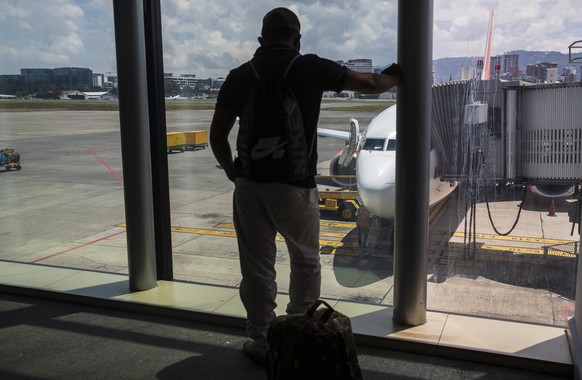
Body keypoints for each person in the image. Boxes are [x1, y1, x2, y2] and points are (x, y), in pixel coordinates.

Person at [209, 7, 400, 364]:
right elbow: (373, 85)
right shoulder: (309, 66)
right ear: (296, 39)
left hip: (250, 187)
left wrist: (232, 171)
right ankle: (296, 331)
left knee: (256, 268)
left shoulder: (239, 76)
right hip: (294, 188)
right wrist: (396, 73)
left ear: (261, 40)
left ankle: (262, 339)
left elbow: (217, 135)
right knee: (305, 261)